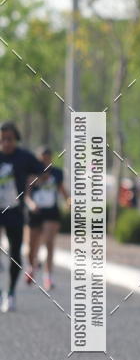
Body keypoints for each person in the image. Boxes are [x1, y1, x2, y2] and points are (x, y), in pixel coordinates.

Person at [0, 121, 45, 311]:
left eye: (10, 139)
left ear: (16, 139)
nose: (6, 143)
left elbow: (43, 171)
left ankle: (10, 293)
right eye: (2, 139)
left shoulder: (24, 157)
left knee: (15, 254)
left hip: (14, 212)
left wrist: (32, 183)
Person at [25, 147, 69, 290]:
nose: (45, 161)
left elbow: (62, 190)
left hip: (51, 212)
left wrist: (69, 201)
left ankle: (48, 276)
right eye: (42, 159)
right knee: (31, 246)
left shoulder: (57, 173)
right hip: (35, 212)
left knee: (49, 242)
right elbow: (26, 194)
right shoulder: (32, 173)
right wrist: (31, 205)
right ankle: (32, 265)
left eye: (47, 159)